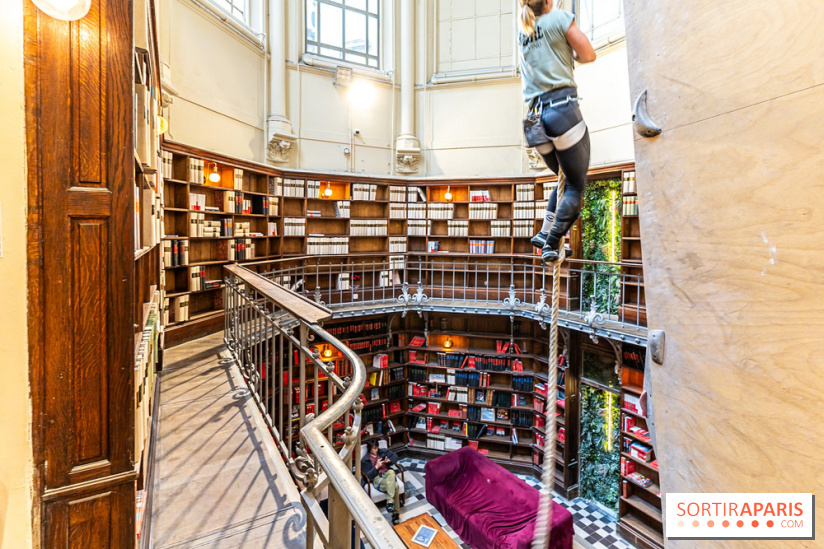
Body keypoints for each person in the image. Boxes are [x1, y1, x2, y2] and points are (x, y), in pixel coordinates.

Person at [518, 0, 596, 263]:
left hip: (534, 119)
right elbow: (588, 54)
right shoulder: (560, 18)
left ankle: (544, 232)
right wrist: (569, 54)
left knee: (565, 176)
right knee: (575, 185)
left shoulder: (523, 29)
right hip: (561, 111)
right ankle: (551, 244)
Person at [361, 440, 401, 524]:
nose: (376, 450)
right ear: (370, 449)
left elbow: (395, 456)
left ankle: (390, 502)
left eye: (377, 447)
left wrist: (389, 460)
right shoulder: (365, 460)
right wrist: (376, 467)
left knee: (391, 472)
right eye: (374, 448)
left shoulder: (382, 452)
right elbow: (367, 476)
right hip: (377, 478)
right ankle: (395, 514)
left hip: (388, 474)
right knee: (395, 486)